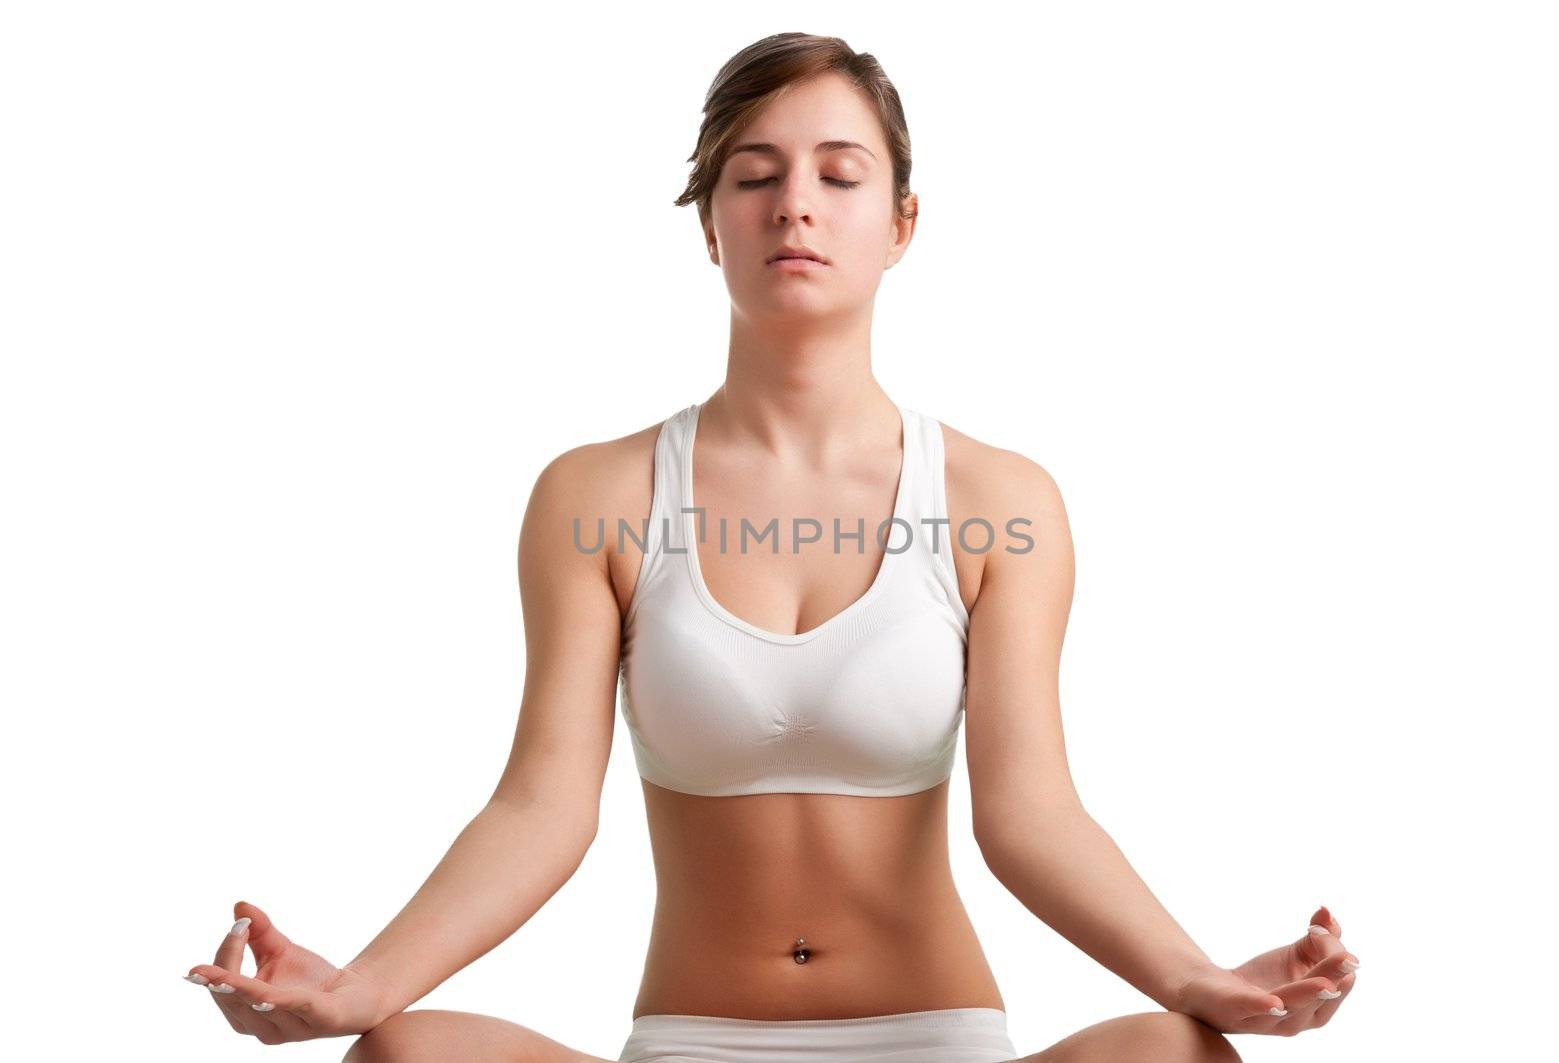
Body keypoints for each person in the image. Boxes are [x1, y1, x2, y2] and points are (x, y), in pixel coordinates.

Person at [184, 32, 1360, 1062]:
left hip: (933, 1036)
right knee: (405, 1052)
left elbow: (1032, 815)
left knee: (1176, 1050)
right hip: (694, 1038)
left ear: (901, 224)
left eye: (838, 175)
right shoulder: (596, 495)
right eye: (755, 176)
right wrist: (361, 988)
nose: (794, 203)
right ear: (710, 226)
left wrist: (1194, 977)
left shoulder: (1002, 501)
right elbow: (541, 807)